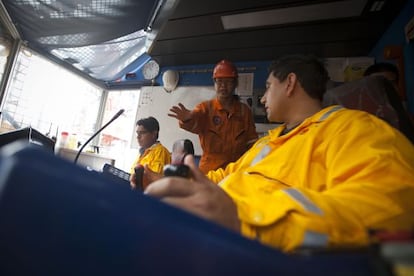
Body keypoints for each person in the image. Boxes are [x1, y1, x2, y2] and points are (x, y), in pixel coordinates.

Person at [146, 54, 414, 253]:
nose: (263, 98)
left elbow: (395, 210)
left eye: (269, 87)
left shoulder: (351, 129)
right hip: (207, 228)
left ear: (290, 84)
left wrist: (247, 223)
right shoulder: (268, 142)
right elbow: (227, 174)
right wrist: (174, 182)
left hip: (249, 249)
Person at [168, 59, 258, 173]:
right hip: (210, 171)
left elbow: (252, 142)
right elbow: (195, 120)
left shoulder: (244, 111)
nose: (223, 86)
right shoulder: (206, 108)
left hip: (236, 171)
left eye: (228, 82)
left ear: (235, 84)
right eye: (219, 82)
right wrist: (187, 119)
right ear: (214, 84)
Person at [363, 62, 414, 143]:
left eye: (390, 83)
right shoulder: (362, 121)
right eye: (377, 84)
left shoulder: (410, 121)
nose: (385, 89)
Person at [129, 116, 171, 190]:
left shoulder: (160, 151)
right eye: (137, 133)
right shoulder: (143, 152)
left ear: (154, 134)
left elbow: (152, 181)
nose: (138, 137)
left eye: (142, 133)